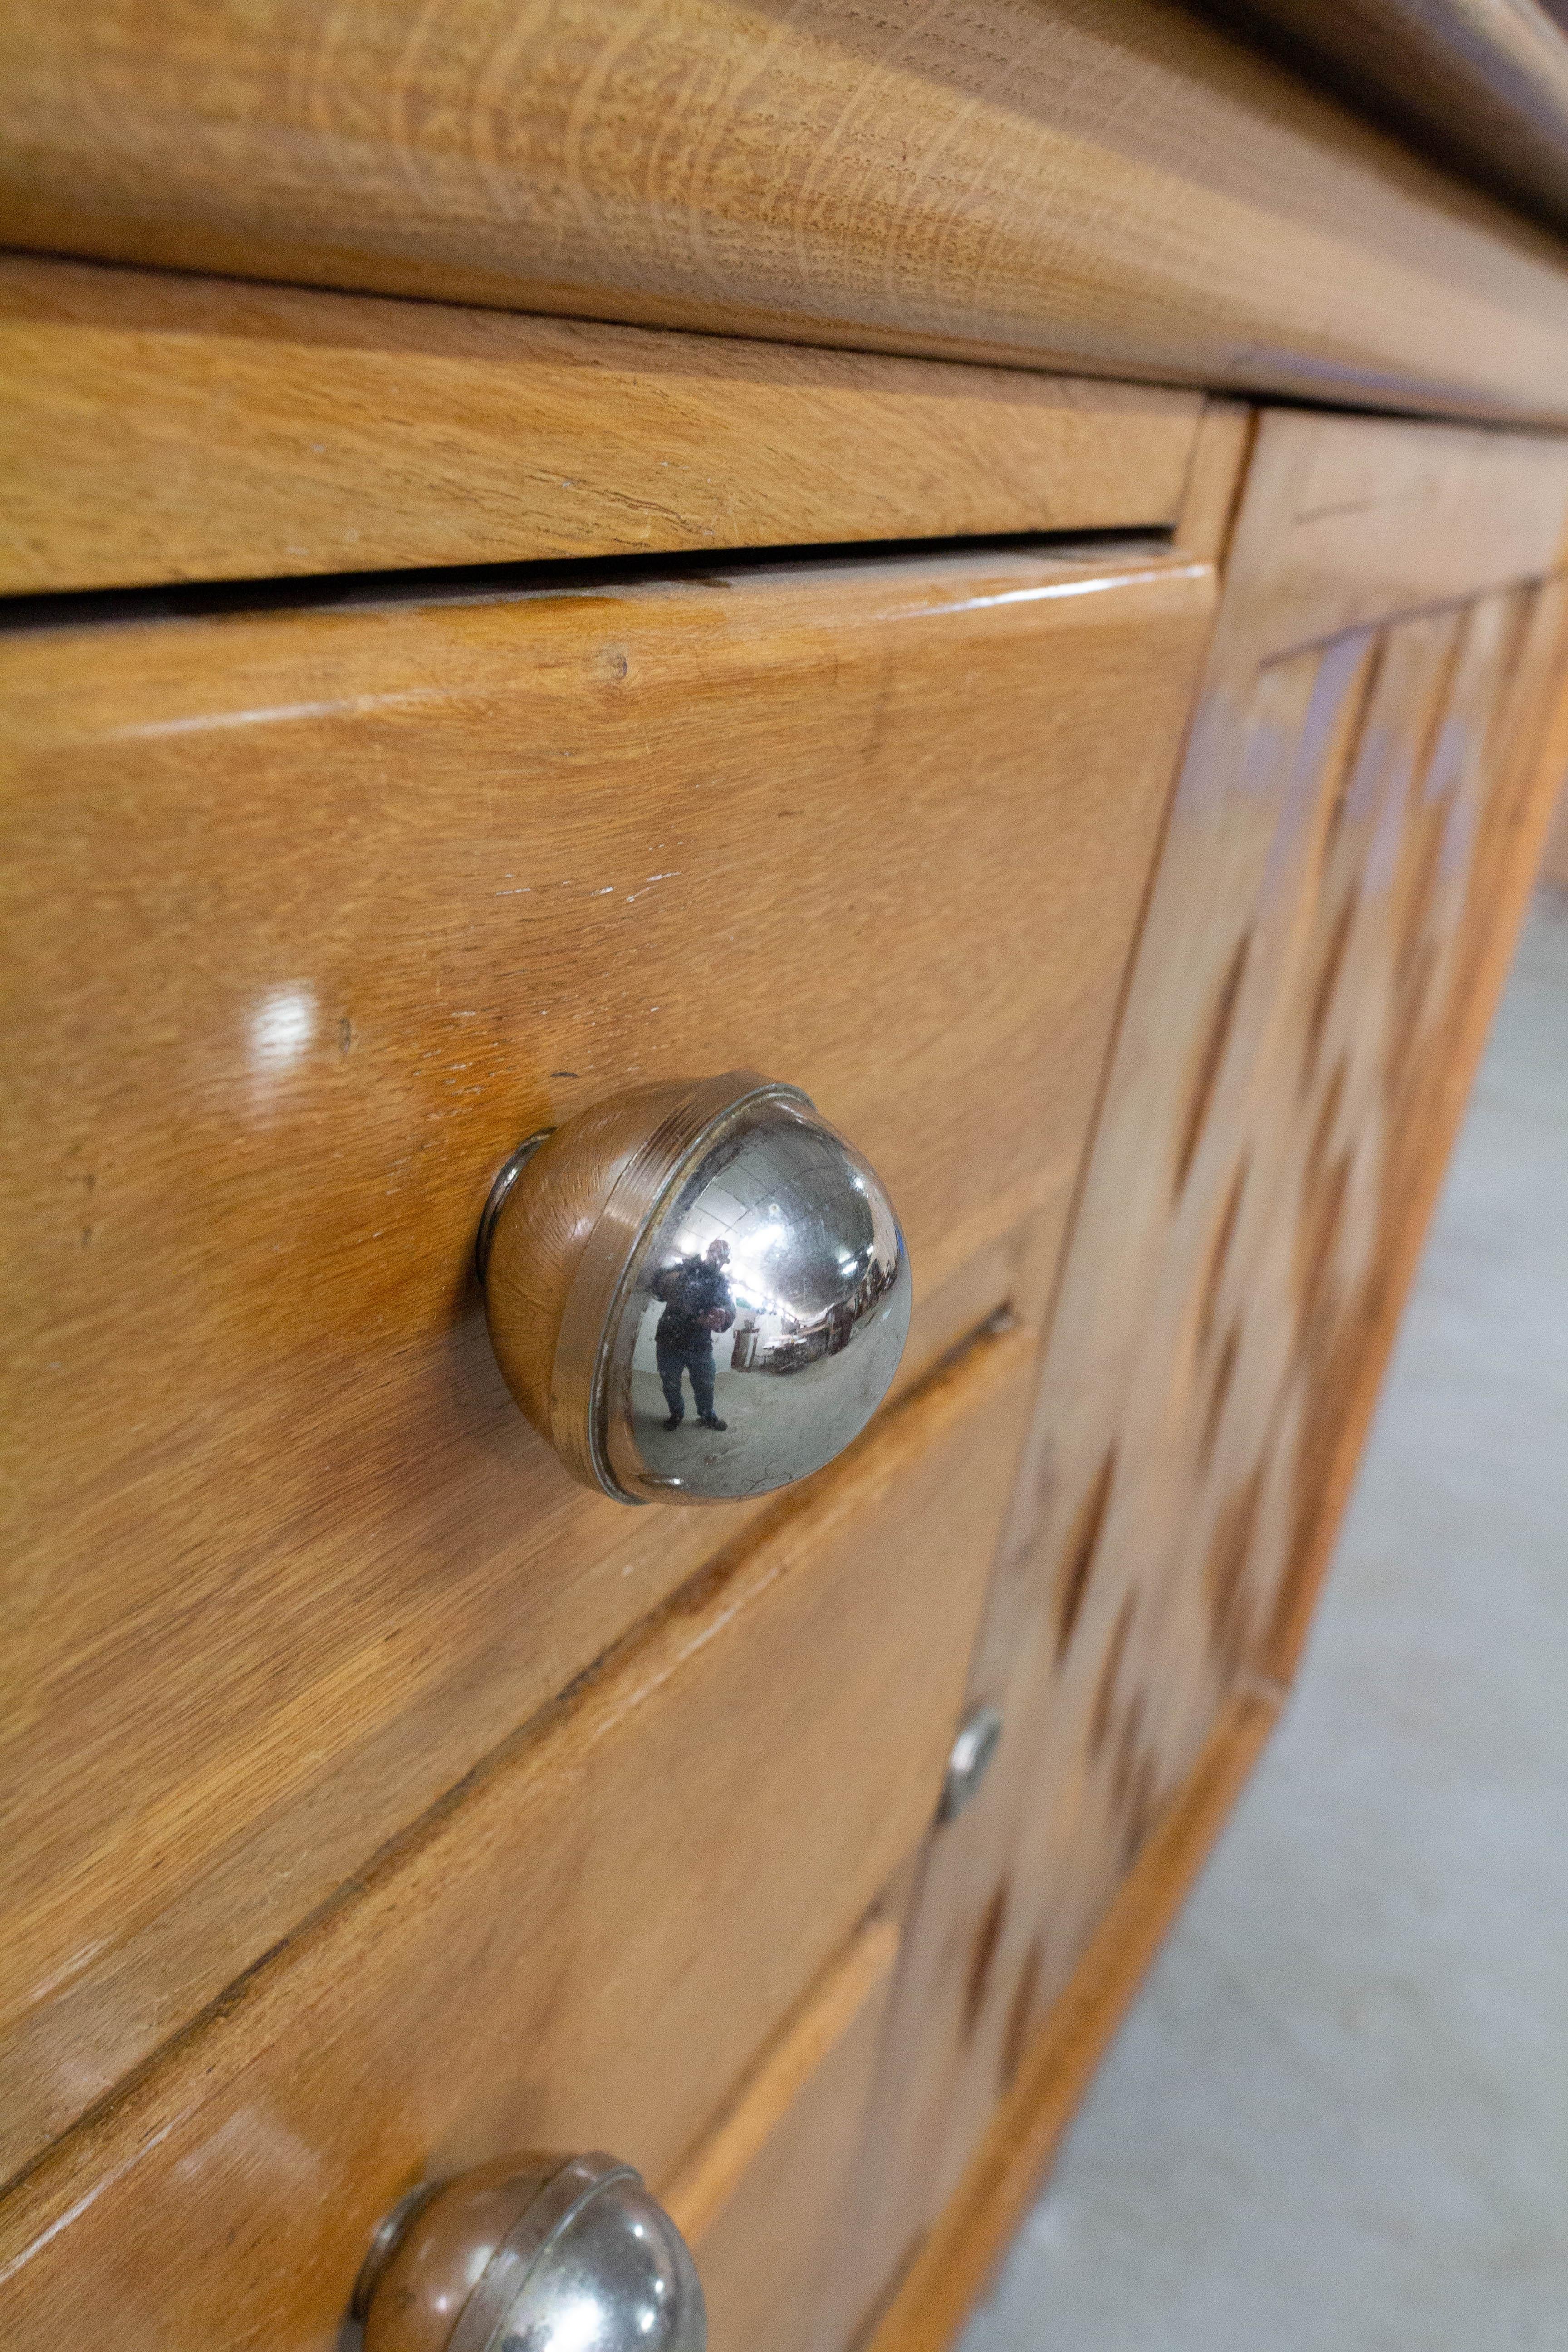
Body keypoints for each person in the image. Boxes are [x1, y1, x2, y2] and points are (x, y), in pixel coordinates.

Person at [651, 1238, 735, 1431]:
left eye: (721, 1254)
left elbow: (729, 1309)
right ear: (707, 1251)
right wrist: (671, 1284)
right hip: (669, 1339)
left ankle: (707, 1416)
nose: (715, 1255)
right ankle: (677, 1413)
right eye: (713, 1250)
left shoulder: (721, 1284)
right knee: (670, 1384)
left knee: (706, 1384)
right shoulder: (687, 1269)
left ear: (726, 1261)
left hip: (699, 1345)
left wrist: (724, 1316)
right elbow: (659, 1285)